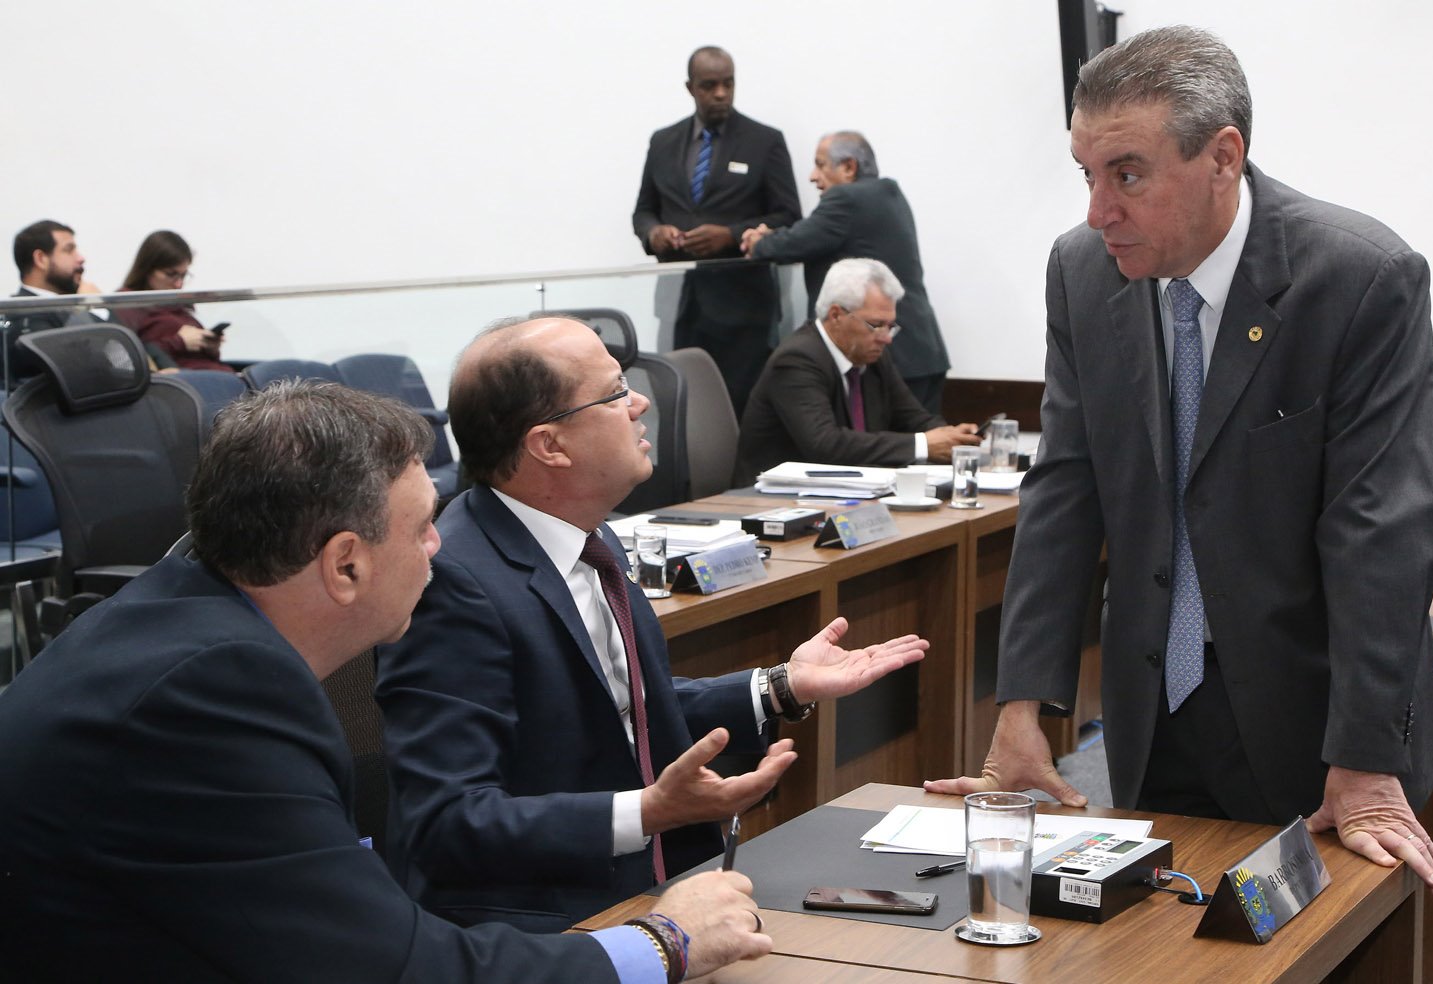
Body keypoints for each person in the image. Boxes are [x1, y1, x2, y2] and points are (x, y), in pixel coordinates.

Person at [0, 379, 773, 981]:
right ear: (345, 564)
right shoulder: (211, 696)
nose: (441, 547)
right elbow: (396, 971)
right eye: (423, 526)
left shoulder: (187, 617)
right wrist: (664, 942)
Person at [924, 26, 1433, 897]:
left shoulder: (1360, 277)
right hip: (1152, 715)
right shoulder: (1083, 271)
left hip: (1325, 730)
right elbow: (1066, 488)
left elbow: (1382, 532)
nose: (1098, 211)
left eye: (1126, 174)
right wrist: (1022, 706)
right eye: (1086, 175)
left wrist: (1363, 757)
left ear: (1222, 158)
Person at [376, 317, 928, 931]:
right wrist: (646, 812)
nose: (640, 402)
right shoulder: (455, 582)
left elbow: (622, 709)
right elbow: (446, 822)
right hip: (543, 925)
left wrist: (780, 686)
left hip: (657, 888)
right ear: (550, 445)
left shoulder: (590, 537)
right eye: (615, 393)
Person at [631, 45, 801, 416]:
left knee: (738, 412)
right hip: (678, 304)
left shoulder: (764, 141)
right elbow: (643, 212)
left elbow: (789, 216)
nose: (721, 93)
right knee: (680, 410)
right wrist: (655, 233)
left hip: (743, 310)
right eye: (709, 85)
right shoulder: (663, 141)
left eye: (728, 83)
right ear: (690, 88)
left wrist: (731, 235)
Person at [741, 131, 951, 412]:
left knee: (888, 439)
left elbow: (790, 244)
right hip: (922, 351)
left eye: (820, 165)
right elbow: (811, 235)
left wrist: (758, 242)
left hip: (888, 354)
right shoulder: (887, 194)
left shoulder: (846, 199)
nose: (812, 177)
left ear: (849, 167)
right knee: (923, 437)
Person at [735, 258, 979, 482]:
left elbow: (913, 418)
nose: (886, 338)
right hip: (773, 499)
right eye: (876, 325)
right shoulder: (797, 360)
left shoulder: (871, 355)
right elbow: (825, 444)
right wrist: (923, 444)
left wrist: (953, 437)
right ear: (836, 315)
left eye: (890, 326)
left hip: (847, 491)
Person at [115, 229, 233, 373]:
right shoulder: (127, 304)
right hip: (184, 380)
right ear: (147, 269)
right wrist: (179, 342)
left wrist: (209, 347)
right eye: (171, 274)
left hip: (215, 373)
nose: (179, 284)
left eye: (183, 276)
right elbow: (127, 358)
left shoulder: (178, 304)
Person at [8, 219, 107, 378]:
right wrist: (88, 308)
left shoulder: (64, 307)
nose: (81, 258)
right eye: (69, 250)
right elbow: (89, 366)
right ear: (41, 259)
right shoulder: (23, 315)